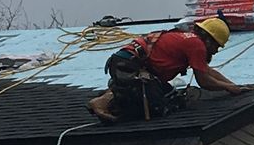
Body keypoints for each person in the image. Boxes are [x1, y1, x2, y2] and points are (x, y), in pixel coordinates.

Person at [88, 15, 244, 121]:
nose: (216, 51)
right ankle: (108, 100)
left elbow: (208, 71)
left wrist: (233, 86)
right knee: (158, 108)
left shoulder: (189, 39)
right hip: (129, 67)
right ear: (209, 40)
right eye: (216, 46)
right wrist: (228, 88)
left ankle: (117, 93)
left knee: (172, 98)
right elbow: (204, 81)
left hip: (128, 65)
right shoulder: (197, 45)